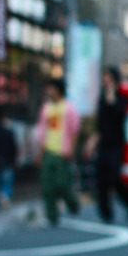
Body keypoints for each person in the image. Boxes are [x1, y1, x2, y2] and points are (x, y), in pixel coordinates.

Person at [84, 67, 128, 223]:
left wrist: (112, 95)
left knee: (114, 176)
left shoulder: (122, 99)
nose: (106, 81)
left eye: (109, 78)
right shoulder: (101, 99)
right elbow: (99, 125)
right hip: (103, 145)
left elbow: (120, 117)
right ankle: (106, 213)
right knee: (101, 178)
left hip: (117, 145)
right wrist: (91, 143)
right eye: (104, 77)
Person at [35, 77, 80, 225]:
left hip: (63, 151)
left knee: (62, 184)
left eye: (51, 88)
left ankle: (73, 204)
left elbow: (74, 130)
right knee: (47, 185)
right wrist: (40, 152)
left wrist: (71, 148)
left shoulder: (68, 107)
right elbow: (42, 131)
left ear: (58, 89)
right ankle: (52, 216)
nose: (49, 91)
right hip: (48, 150)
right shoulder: (46, 108)